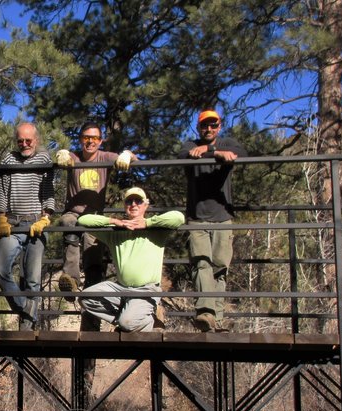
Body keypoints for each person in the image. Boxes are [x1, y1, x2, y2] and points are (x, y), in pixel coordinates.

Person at [177, 109, 247, 332]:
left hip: (222, 217)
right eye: (204, 125)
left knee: (220, 266)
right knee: (201, 263)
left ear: (219, 126)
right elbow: (182, 156)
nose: (209, 129)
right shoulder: (190, 145)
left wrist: (212, 150)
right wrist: (216, 153)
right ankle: (205, 313)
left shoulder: (227, 143)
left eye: (213, 125)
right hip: (197, 217)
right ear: (198, 127)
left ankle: (218, 316)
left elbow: (241, 153)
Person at [77, 187, 184, 332]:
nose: (133, 204)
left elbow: (178, 217)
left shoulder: (156, 230)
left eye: (138, 201)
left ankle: (145, 319)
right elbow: (83, 220)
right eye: (129, 201)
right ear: (124, 206)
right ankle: (133, 320)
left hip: (146, 290)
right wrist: (114, 221)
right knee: (85, 298)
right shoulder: (114, 232)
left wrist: (147, 224)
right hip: (121, 289)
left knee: (127, 323)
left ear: (145, 205)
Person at [54, 121, 135, 294]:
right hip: (73, 212)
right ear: (80, 139)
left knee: (92, 246)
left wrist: (127, 155)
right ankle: (71, 281)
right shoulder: (74, 157)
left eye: (95, 138)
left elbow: (134, 159)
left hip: (94, 214)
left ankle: (92, 287)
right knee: (68, 223)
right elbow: (61, 157)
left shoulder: (105, 157)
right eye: (86, 137)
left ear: (100, 141)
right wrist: (61, 153)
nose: (90, 141)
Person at [0, 122, 55, 331]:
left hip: (36, 221)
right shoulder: (9, 159)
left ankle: (27, 324)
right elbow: (1, 189)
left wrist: (46, 216)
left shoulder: (43, 158)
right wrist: (1, 216)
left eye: (28, 140)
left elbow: (48, 188)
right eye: (20, 141)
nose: (24, 144)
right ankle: (25, 308)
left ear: (36, 140)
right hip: (13, 222)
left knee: (32, 278)